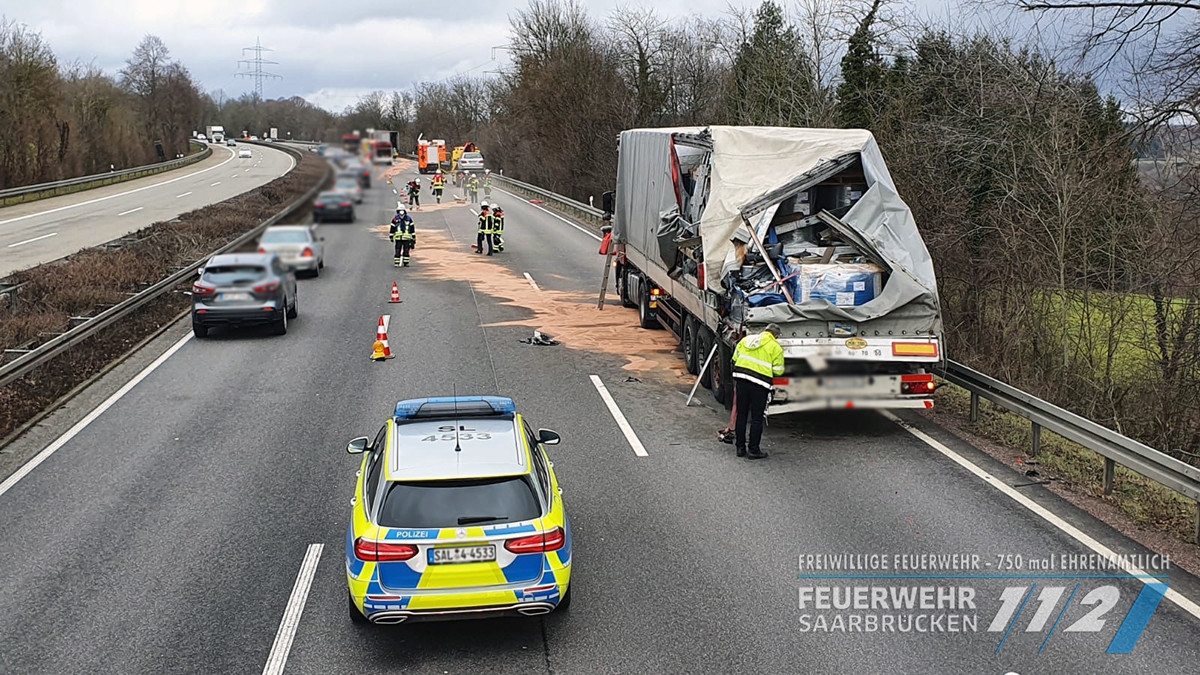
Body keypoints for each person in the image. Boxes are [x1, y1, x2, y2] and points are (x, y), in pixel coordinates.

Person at [731, 324, 785, 459]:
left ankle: (740, 447)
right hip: (760, 385)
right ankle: (753, 450)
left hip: (742, 380)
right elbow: (778, 371)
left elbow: (735, 359)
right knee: (756, 418)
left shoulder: (747, 340)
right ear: (776, 336)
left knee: (741, 415)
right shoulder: (776, 347)